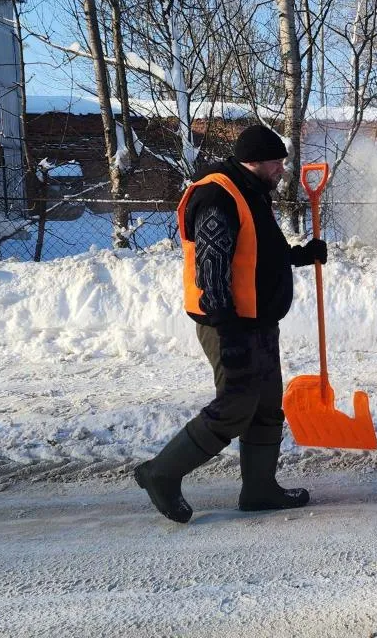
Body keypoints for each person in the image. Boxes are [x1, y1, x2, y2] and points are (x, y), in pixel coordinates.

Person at [134, 125, 328, 523]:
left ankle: (259, 489)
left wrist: (300, 256)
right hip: (230, 323)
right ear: (256, 161)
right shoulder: (218, 195)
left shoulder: (251, 192)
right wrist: (228, 331)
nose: (282, 171)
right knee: (235, 406)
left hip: (258, 320)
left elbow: (257, 251)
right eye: (277, 163)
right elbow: (212, 266)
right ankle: (161, 473)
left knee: (265, 406)